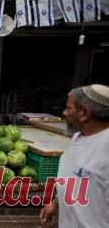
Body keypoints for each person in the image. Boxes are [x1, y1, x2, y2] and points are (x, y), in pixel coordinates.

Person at [40, 84, 109, 228]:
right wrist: (56, 203)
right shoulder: (78, 137)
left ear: (84, 113)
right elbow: (74, 179)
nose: (64, 113)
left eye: (69, 108)